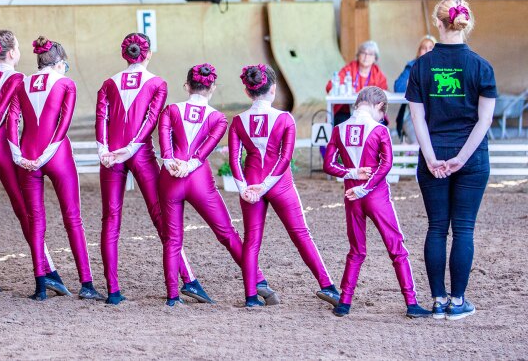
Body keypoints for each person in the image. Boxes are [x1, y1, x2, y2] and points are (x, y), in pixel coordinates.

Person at [406, 0, 497, 320]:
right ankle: (458, 302)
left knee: (436, 228)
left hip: (434, 155)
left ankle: (437, 301)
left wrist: (431, 159)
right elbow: (484, 121)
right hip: (470, 158)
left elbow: (417, 120)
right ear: (466, 22)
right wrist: (461, 158)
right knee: (463, 230)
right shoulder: (481, 67)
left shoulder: (421, 65)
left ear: (437, 22)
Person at [0, 30, 68, 295]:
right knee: (24, 212)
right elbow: (2, 112)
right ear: (11, 53)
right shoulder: (19, 78)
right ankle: (47, 270)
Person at [96, 33, 199, 305]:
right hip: (139, 153)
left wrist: (104, 151)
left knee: (110, 220)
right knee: (160, 215)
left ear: (124, 54)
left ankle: (113, 290)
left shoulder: (108, 83)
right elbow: (151, 120)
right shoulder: (157, 83)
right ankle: (186, 279)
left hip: (111, 156)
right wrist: (130, 148)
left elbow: (101, 119)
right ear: (148, 53)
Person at [229, 64, 339, 308]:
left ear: (247, 92)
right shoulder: (284, 118)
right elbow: (285, 158)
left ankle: (250, 296)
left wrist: (244, 188)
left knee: (251, 240)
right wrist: (266, 185)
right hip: (279, 183)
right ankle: (327, 286)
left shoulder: (238, 121)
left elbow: (234, 160)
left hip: (250, 182)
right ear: (273, 90)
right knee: (301, 234)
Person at [7, 36, 104, 301]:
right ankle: (86, 283)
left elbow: (12, 121)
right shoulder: (66, 83)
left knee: (36, 221)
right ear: (59, 62)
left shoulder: (21, 83)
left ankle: (41, 284)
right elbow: (63, 125)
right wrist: (46, 154)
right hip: (56, 154)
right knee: (73, 219)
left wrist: (18, 155)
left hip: (27, 154)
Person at [158, 64, 264, 307]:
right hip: (198, 180)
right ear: (213, 88)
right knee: (227, 233)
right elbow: (204, 151)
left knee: (173, 240)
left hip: (170, 176)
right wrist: (189, 165)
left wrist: (173, 163)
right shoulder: (218, 118)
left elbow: (165, 147)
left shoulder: (170, 110)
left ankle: (173, 296)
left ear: (186, 87)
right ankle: (258, 280)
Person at [323, 86, 431, 318]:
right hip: (375, 195)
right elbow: (386, 165)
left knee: (356, 251)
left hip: (352, 196)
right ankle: (411, 303)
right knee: (396, 248)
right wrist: (366, 188)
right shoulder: (379, 130)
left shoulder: (339, 129)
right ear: (379, 106)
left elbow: (328, 165)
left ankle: (345, 302)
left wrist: (353, 175)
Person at [326, 41, 388, 125]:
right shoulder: (350, 68)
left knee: (379, 126)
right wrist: (344, 88)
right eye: (363, 53)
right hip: (346, 111)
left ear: (375, 58)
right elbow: (330, 86)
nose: (366, 57)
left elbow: (383, 95)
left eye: (370, 54)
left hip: (371, 113)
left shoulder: (377, 73)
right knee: (342, 125)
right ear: (358, 55)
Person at [394, 36, 436, 143]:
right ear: (418, 52)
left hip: (437, 115)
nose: (427, 50)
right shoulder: (412, 66)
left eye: (431, 47)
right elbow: (399, 88)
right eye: (423, 47)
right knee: (421, 142)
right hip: (412, 116)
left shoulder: (442, 67)